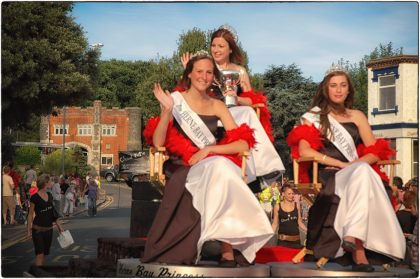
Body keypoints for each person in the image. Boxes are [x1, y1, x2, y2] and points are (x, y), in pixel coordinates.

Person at [142, 51, 273, 267]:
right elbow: (158, 142)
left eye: (209, 72)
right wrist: (167, 111)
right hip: (183, 166)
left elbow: (242, 144)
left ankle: (228, 246)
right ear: (190, 75)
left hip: (210, 161)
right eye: (199, 71)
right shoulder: (175, 100)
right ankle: (228, 248)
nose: (204, 76)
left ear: (214, 77)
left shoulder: (218, 106)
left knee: (221, 168)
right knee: (223, 170)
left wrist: (209, 150)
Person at [286, 65, 405, 272]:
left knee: (362, 172)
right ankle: (358, 251)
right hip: (330, 175)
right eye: (333, 86)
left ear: (349, 90)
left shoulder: (357, 116)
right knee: (363, 172)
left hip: (357, 173)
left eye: (343, 85)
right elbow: (304, 152)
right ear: (326, 89)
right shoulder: (313, 117)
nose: (338, 90)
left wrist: (355, 165)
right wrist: (343, 165)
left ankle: (353, 239)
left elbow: (375, 151)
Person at [180, 25, 285, 191]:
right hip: (207, 113)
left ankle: (265, 168)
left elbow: (254, 101)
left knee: (248, 112)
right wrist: (188, 70)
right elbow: (189, 91)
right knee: (245, 113)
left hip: (233, 113)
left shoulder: (240, 71)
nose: (216, 50)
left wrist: (236, 98)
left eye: (221, 46)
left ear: (230, 49)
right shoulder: (205, 68)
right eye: (213, 45)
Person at [27, 174, 64, 266]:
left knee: (44, 254)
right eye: (50, 181)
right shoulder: (34, 197)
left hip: (49, 230)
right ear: (45, 183)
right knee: (40, 254)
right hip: (38, 229)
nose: (51, 182)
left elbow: (53, 213)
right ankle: (37, 273)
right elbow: (30, 214)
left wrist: (60, 227)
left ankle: (40, 272)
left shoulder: (49, 195)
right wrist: (28, 230)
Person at [271, 184, 307, 260]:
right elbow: (275, 223)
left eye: (292, 193)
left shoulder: (297, 205)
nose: (292, 196)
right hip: (282, 242)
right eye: (289, 194)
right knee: (282, 263)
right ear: (283, 194)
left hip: (296, 242)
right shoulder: (277, 206)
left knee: (297, 263)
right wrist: (268, 235)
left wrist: (308, 231)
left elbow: (300, 222)